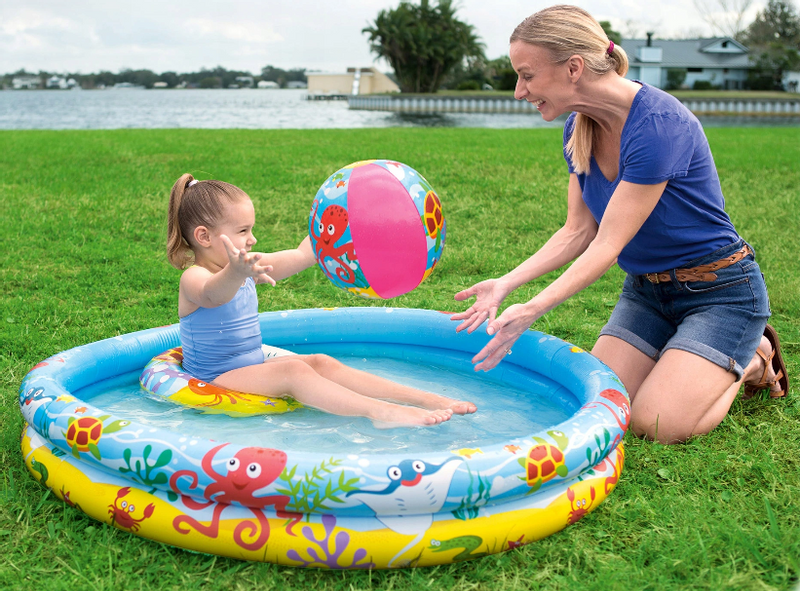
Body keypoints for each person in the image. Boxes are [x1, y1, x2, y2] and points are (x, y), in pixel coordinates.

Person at [451, 5, 788, 444]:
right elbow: (578, 231)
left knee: (656, 424)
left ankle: (755, 357)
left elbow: (608, 244)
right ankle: (687, 355)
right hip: (648, 294)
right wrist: (506, 284)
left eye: (527, 75)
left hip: (719, 292)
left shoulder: (659, 125)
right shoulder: (578, 127)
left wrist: (533, 308)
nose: (519, 91)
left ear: (573, 68)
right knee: (601, 404)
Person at [167, 173, 476, 427]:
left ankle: (424, 398)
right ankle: (379, 412)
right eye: (243, 230)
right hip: (215, 376)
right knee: (295, 372)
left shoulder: (244, 265)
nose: (253, 239)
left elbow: (302, 255)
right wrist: (236, 273)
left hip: (250, 365)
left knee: (321, 362)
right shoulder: (195, 278)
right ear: (204, 237)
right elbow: (213, 294)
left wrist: (333, 234)